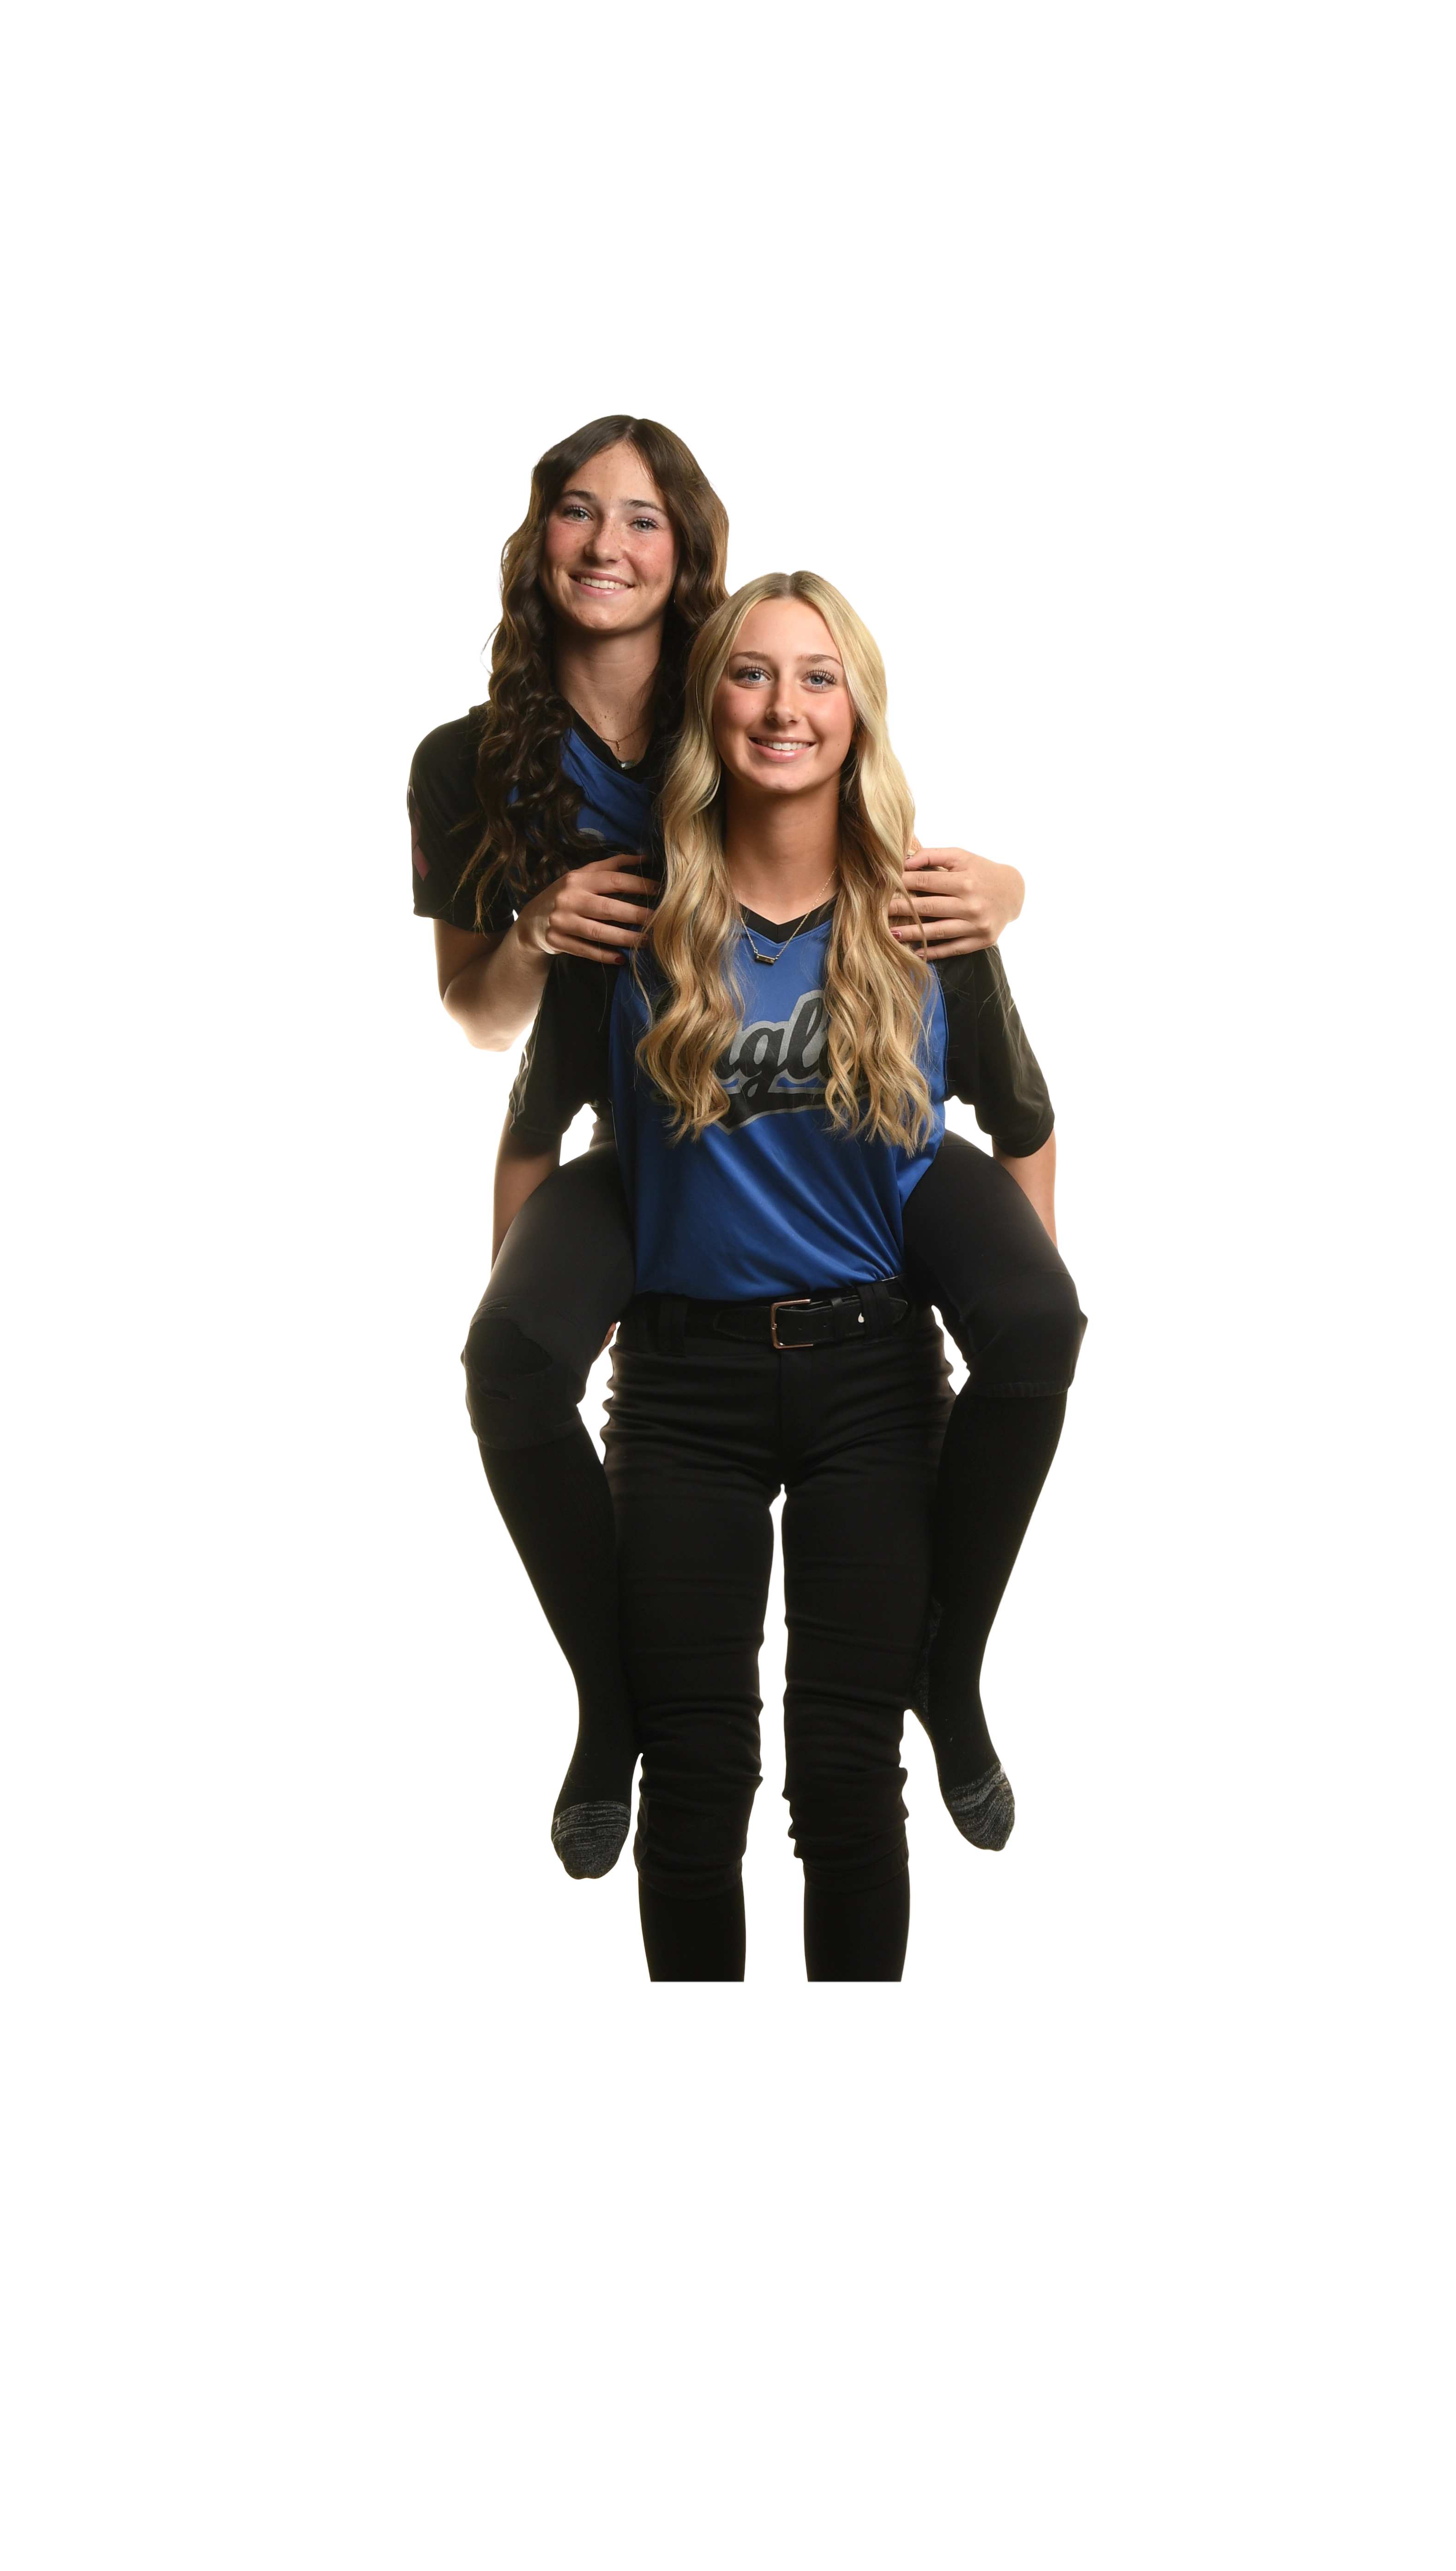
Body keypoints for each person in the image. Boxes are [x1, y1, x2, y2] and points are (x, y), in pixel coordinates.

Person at [410, 415, 1083, 1883]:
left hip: (837, 1107)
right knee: (507, 1357)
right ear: (535, 536)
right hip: (640, 1110)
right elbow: (478, 1018)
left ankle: (949, 1671)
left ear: (690, 554)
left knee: (1042, 1314)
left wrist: (1011, 888)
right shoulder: (471, 762)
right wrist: (536, 933)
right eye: (578, 512)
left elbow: (876, 812)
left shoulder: (735, 687)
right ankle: (608, 1710)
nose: (608, 544)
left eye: (644, 519)